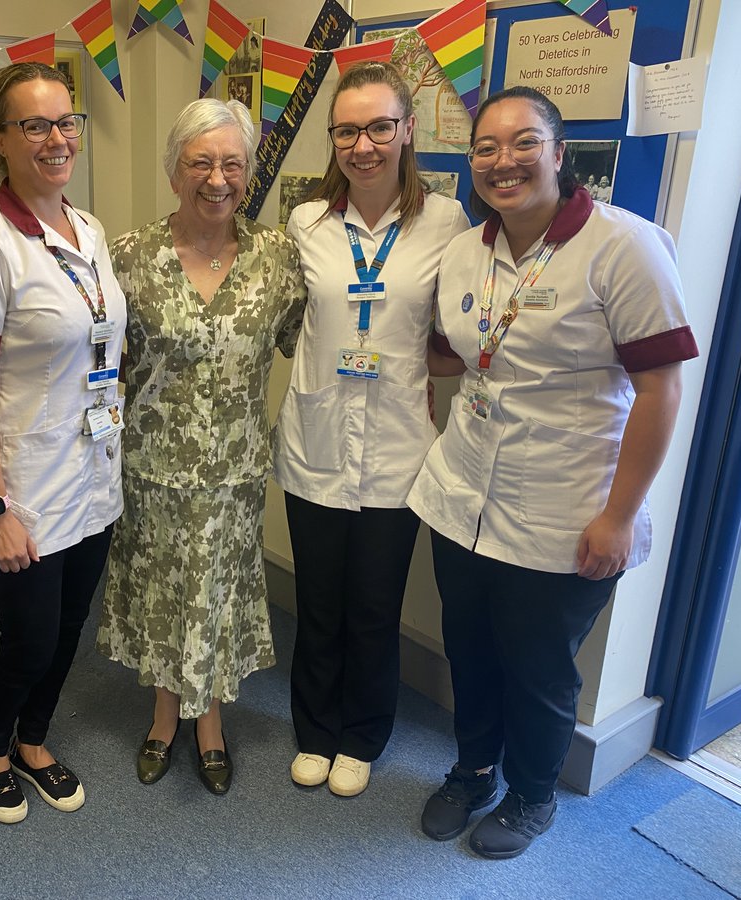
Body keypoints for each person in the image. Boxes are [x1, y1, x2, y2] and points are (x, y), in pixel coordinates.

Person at [408, 86, 697, 859]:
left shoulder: (623, 246)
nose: (504, 162)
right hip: (463, 491)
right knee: (468, 647)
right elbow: (461, 354)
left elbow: (663, 387)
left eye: (523, 142)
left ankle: (534, 795)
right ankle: (473, 770)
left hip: (565, 508)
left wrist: (618, 516)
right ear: (472, 163)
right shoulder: (469, 248)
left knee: (537, 669)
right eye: (486, 148)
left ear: (559, 153)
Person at [95, 98, 306, 795]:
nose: (217, 178)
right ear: (175, 170)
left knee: (217, 594)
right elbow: (99, 365)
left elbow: (306, 348)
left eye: (232, 164)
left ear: (249, 172)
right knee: (162, 594)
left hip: (236, 473)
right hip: (151, 468)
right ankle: (163, 718)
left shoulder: (278, 258)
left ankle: (209, 723)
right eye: (200, 162)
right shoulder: (127, 258)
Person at [270, 62, 469, 799]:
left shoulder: (447, 223)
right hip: (316, 443)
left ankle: (362, 736)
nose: (364, 145)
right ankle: (315, 731)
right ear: (334, 139)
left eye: (379, 126)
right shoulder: (307, 223)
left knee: (374, 607)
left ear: (406, 129)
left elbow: (457, 331)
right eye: (347, 130)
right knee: (319, 601)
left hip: (396, 450)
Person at [0, 62, 125, 824]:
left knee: (71, 625)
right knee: (29, 636)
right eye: (35, 125)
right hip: (21, 485)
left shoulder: (89, 229)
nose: (57, 139)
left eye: (65, 122)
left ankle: (34, 739)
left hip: (92, 471)